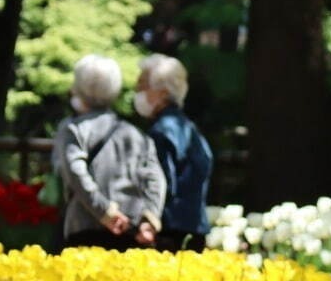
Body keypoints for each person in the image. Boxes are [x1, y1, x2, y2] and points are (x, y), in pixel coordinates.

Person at [55, 54, 166, 251]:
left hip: (84, 228)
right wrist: (150, 218)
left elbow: (75, 174)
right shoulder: (136, 134)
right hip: (131, 230)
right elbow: (155, 178)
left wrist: (105, 212)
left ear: (79, 88)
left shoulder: (73, 129)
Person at [134, 54, 213, 250]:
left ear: (162, 93)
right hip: (195, 227)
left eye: (143, 85)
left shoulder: (161, 132)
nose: (137, 91)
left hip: (168, 233)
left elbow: (161, 184)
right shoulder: (189, 128)